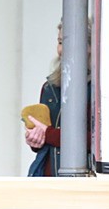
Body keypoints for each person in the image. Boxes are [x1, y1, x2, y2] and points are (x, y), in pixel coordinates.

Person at [25, 21, 90, 177]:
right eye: (60, 42)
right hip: (49, 175)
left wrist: (47, 134)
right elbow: (44, 141)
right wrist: (35, 139)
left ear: (90, 47)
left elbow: (95, 142)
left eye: (68, 43)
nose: (62, 50)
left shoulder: (101, 91)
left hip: (86, 179)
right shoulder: (49, 87)